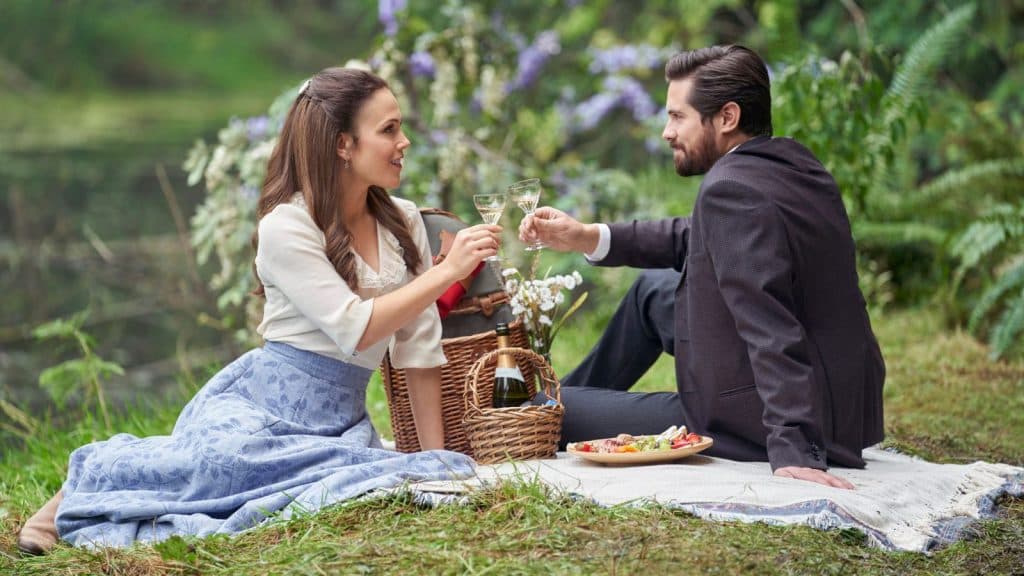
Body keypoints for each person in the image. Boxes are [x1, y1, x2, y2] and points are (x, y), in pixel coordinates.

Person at [17, 67, 502, 554]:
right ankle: (70, 497)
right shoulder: (286, 227)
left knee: (348, 483)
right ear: (342, 145)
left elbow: (418, 349)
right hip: (260, 408)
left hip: (341, 422)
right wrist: (445, 272)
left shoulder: (404, 220)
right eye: (389, 129)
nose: (405, 141)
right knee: (215, 473)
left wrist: (439, 463)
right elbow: (354, 328)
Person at [520, 45, 885, 490]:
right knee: (651, 289)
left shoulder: (730, 190)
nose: (666, 132)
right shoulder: (791, 165)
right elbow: (691, 235)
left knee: (540, 409)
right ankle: (569, 404)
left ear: (727, 117)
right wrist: (586, 236)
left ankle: (547, 416)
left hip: (769, 414)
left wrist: (795, 447)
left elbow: (770, 325)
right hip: (842, 402)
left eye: (678, 117)